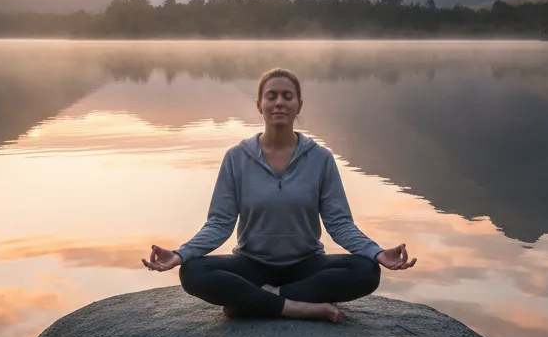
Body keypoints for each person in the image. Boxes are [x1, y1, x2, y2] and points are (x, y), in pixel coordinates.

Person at [142, 67, 416, 322]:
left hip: (306, 264)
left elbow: (339, 222)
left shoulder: (320, 159)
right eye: (271, 96)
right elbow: (219, 223)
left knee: (366, 272)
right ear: (259, 105)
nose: (279, 103)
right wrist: (181, 254)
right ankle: (296, 307)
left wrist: (376, 252)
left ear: (299, 105)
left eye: (288, 96)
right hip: (251, 265)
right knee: (192, 273)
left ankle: (260, 300)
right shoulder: (237, 158)